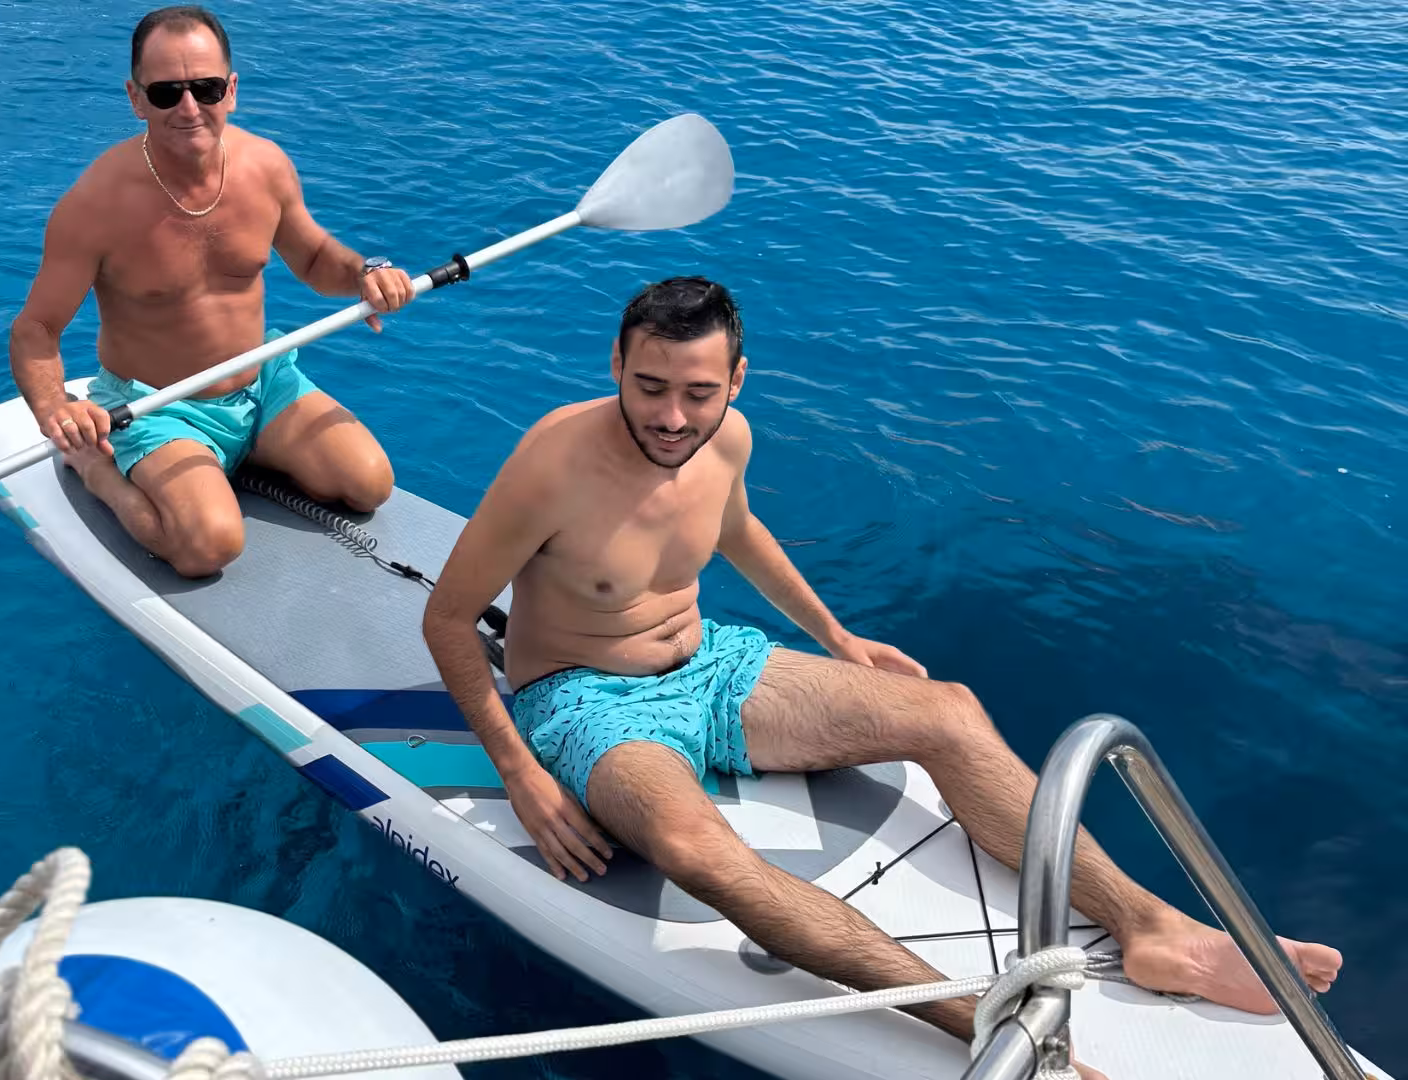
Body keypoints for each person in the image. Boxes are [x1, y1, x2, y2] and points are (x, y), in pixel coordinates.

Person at [419, 275, 1342, 1070]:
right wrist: (521, 773)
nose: (670, 416)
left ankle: (1149, 925)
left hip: (709, 663)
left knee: (947, 711)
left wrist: (837, 635)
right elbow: (450, 617)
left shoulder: (723, 437)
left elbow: (736, 530)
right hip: (588, 700)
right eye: (649, 385)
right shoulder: (554, 460)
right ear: (615, 365)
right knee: (699, 853)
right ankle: (981, 1018)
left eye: (697, 393)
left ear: (735, 381)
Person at [9, 4, 414, 578]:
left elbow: (317, 258)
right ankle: (96, 471)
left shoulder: (265, 166)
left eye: (205, 87)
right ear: (135, 97)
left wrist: (363, 273)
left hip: (261, 380)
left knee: (369, 484)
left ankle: (237, 455)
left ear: (231, 90)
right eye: (166, 92)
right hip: (155, 406)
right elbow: (36, 329)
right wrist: (55, 409)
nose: (189, 108)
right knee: (208, 548)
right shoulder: (96, 205)